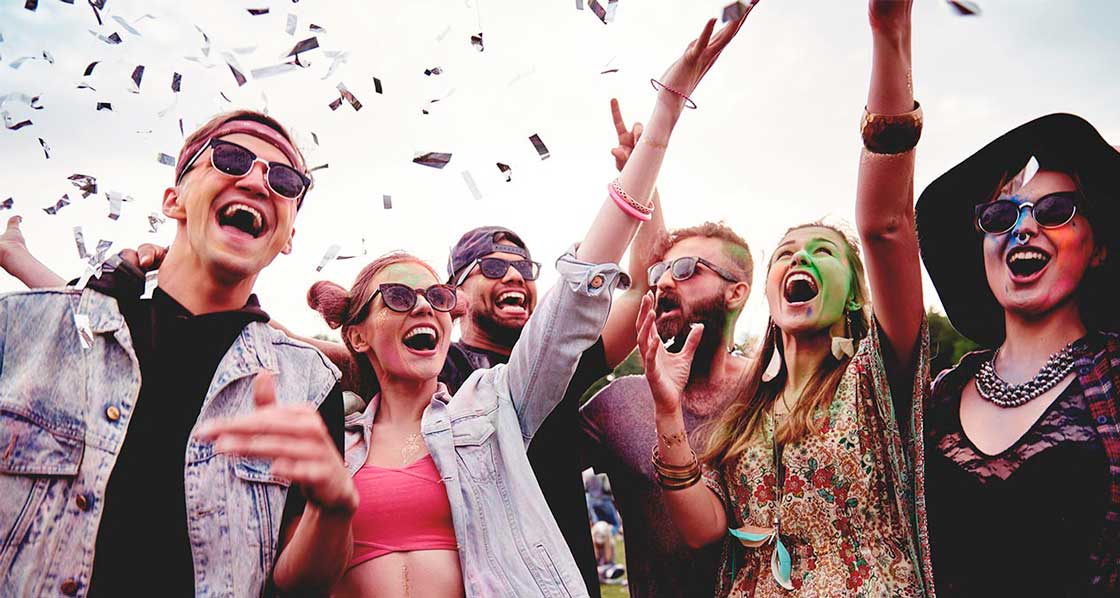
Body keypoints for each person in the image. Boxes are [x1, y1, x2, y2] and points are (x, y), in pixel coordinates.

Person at [299, 15, 746, 597]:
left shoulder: (504, 398)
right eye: (491, 266)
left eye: (523, 267)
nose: (513, 275)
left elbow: (614, 284)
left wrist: (657, 133)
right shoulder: (349, 428)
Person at [638, 0, 934, 594]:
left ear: (855, 297)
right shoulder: (744, 413)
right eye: (786, 253)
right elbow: (703, 530)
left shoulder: (876, 376)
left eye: (823, 253)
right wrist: (668, 414)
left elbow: (887, 225)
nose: (800, 258)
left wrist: (890, 34)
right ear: (767, 294)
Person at [0, 110, 355, 597]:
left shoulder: (308, 385)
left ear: (288, 235)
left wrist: (332, 510)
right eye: (231, 158)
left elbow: (298, 584)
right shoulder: (22, 328)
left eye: (284, 178)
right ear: (174, 201)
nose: (256, 181)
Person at [916, 113, 1120, 594]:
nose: (1023, 228)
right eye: (1001, 217)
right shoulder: (939, 397)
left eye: (1054, 211)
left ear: (1099, 249)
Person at [579, 222, 753, 598]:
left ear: (736, 292)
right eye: (659, 272)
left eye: (687, 269)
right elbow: (533, 466)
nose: (663, 283)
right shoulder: (617, 405)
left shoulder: (771, 392)